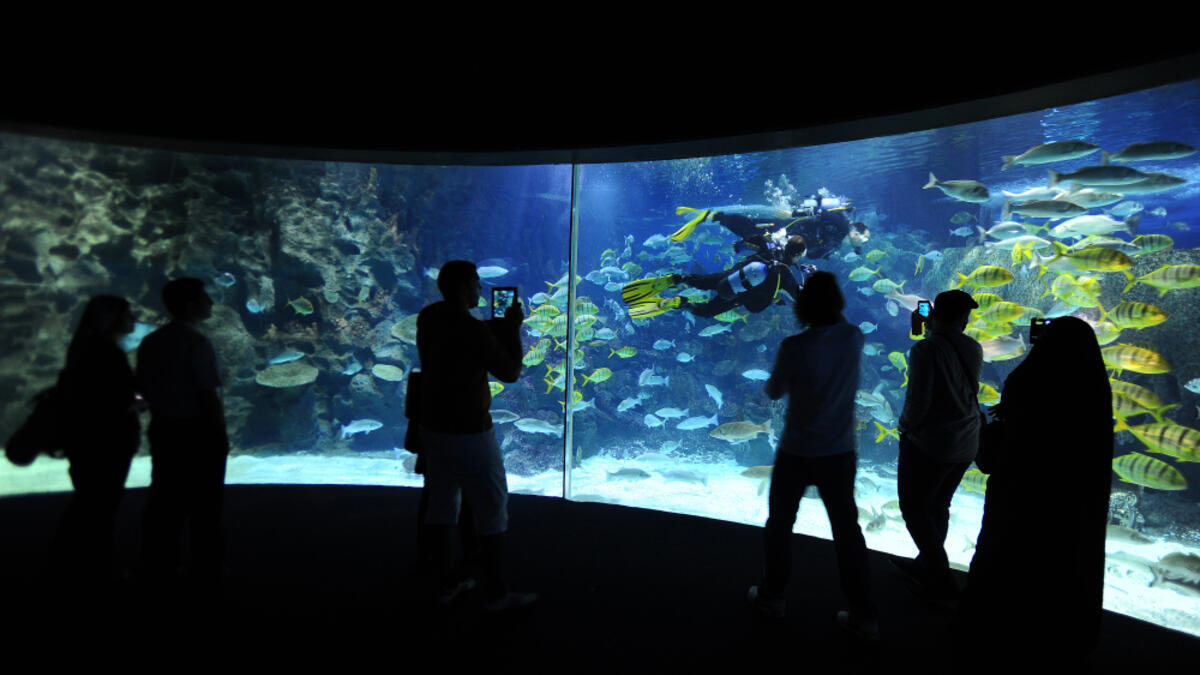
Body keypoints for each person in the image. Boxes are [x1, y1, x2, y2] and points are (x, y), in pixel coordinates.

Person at [956, 316, 1112, 668]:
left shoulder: (1029, 378)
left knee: (1007, 565)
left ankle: (991, 635)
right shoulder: (1094, 390)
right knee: (1059, 569)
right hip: (1069, 509)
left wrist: (987, 429)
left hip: (1018, 501)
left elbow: (1003, 451)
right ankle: (1059, 639)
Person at [747, 271, 878, 640]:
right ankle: (864, 615)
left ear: (803, 305)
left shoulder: (794, 346)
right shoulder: (854, 338)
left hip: (797, 450)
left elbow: (774, 391)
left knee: (780, 524)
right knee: (847, 531)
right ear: (838, 303)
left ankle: (772, 597)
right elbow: (838, 324)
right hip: (839, 452)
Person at [416, 260, 536, 611]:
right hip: (470, 431)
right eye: (475, 284)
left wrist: (492, 328)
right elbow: (510, 372)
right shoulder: (473, 331)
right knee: (492, 505)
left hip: (433, 427)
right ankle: (497, 592)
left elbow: (460, 332)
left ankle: (444, 581)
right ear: (464, 287)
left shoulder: (430, 318)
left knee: (441, 504)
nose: (481, 291)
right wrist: (512, 329)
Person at [136, 278, 229, 592]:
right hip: (198, 433)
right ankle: (205, 575)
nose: (211, 303)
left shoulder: (151, 342)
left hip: (163, 429)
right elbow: (207, 394)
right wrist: (219, 434)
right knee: (205, 505)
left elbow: (140, 393)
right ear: (190, 304)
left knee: (164, 500)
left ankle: (158, 569)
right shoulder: (196, 343)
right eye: (205, 298)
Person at [893, 289, 982, 607]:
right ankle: (924, 565)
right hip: (966, 442)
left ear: (934, 315)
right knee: (938, 506)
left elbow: (919, 400)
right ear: (962, 318)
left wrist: (904, 426)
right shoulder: (973, 347)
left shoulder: (925, 350)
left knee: (913, 508)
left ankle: (939, 575)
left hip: (932, 444)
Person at [48, 295, 141, 591]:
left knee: (90, 504)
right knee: (98, 507)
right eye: (128, 315)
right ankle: (94, 572)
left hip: (89, 442)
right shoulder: (104, 353)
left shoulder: (87, 349)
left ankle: (73, 565)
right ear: (112, 319)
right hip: (106, 444)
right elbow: (108, 402)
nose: (134, 320)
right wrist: (135, 402)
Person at [620, 236, 812, 320]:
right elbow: (799, 298)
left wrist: (742, 245)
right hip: (736, 295)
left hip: (728, 275)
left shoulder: (771, 248)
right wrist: (809, 275)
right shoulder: (785, 274)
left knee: (703, 281)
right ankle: (680, 302)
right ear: (799, 254)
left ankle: (676, 278)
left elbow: (747, 243)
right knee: (706, 311)